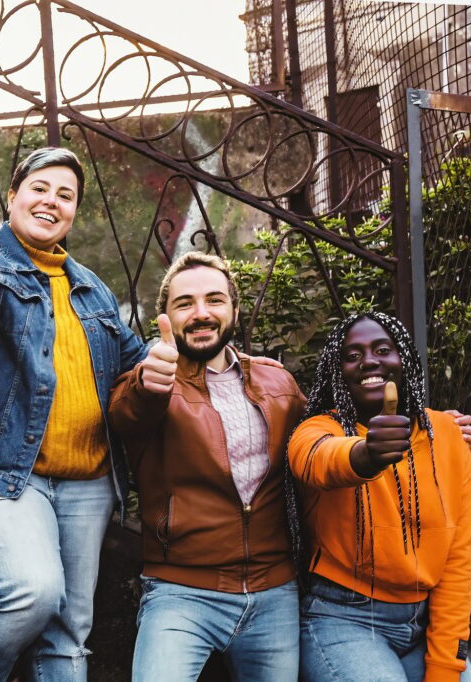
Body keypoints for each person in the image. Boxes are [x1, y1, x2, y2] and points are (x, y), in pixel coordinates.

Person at [0, 147, 147, 681]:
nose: (51, 201)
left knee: (69, 634)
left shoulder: (93, 290)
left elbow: (135, 363)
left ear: (74, 212)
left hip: (85, 480)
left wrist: (166, 361)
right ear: (14, 196)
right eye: (40, 188)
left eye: (66, 195)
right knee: (31, 590)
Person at [108, 251, 307, 681]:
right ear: (166, 317)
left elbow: (327, 439)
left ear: (234, 309)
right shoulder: (151, 380)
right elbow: (127, 411)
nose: (201, 314)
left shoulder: (278, 381)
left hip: (275, 593)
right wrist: (148, 381)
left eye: (214, 300)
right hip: (181, 593)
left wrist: (434, 429)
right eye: (185, 304)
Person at [287, 311, 471, 682]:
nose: (369, 360)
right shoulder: (317, 429)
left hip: (422, 624)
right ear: (337, 371)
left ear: (402, 359)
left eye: (382, 349)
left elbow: (456, 564)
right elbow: (316, 459)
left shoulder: (447, 435)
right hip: (344, 619)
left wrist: (443, 668)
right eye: (352, 355)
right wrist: (367, 454)